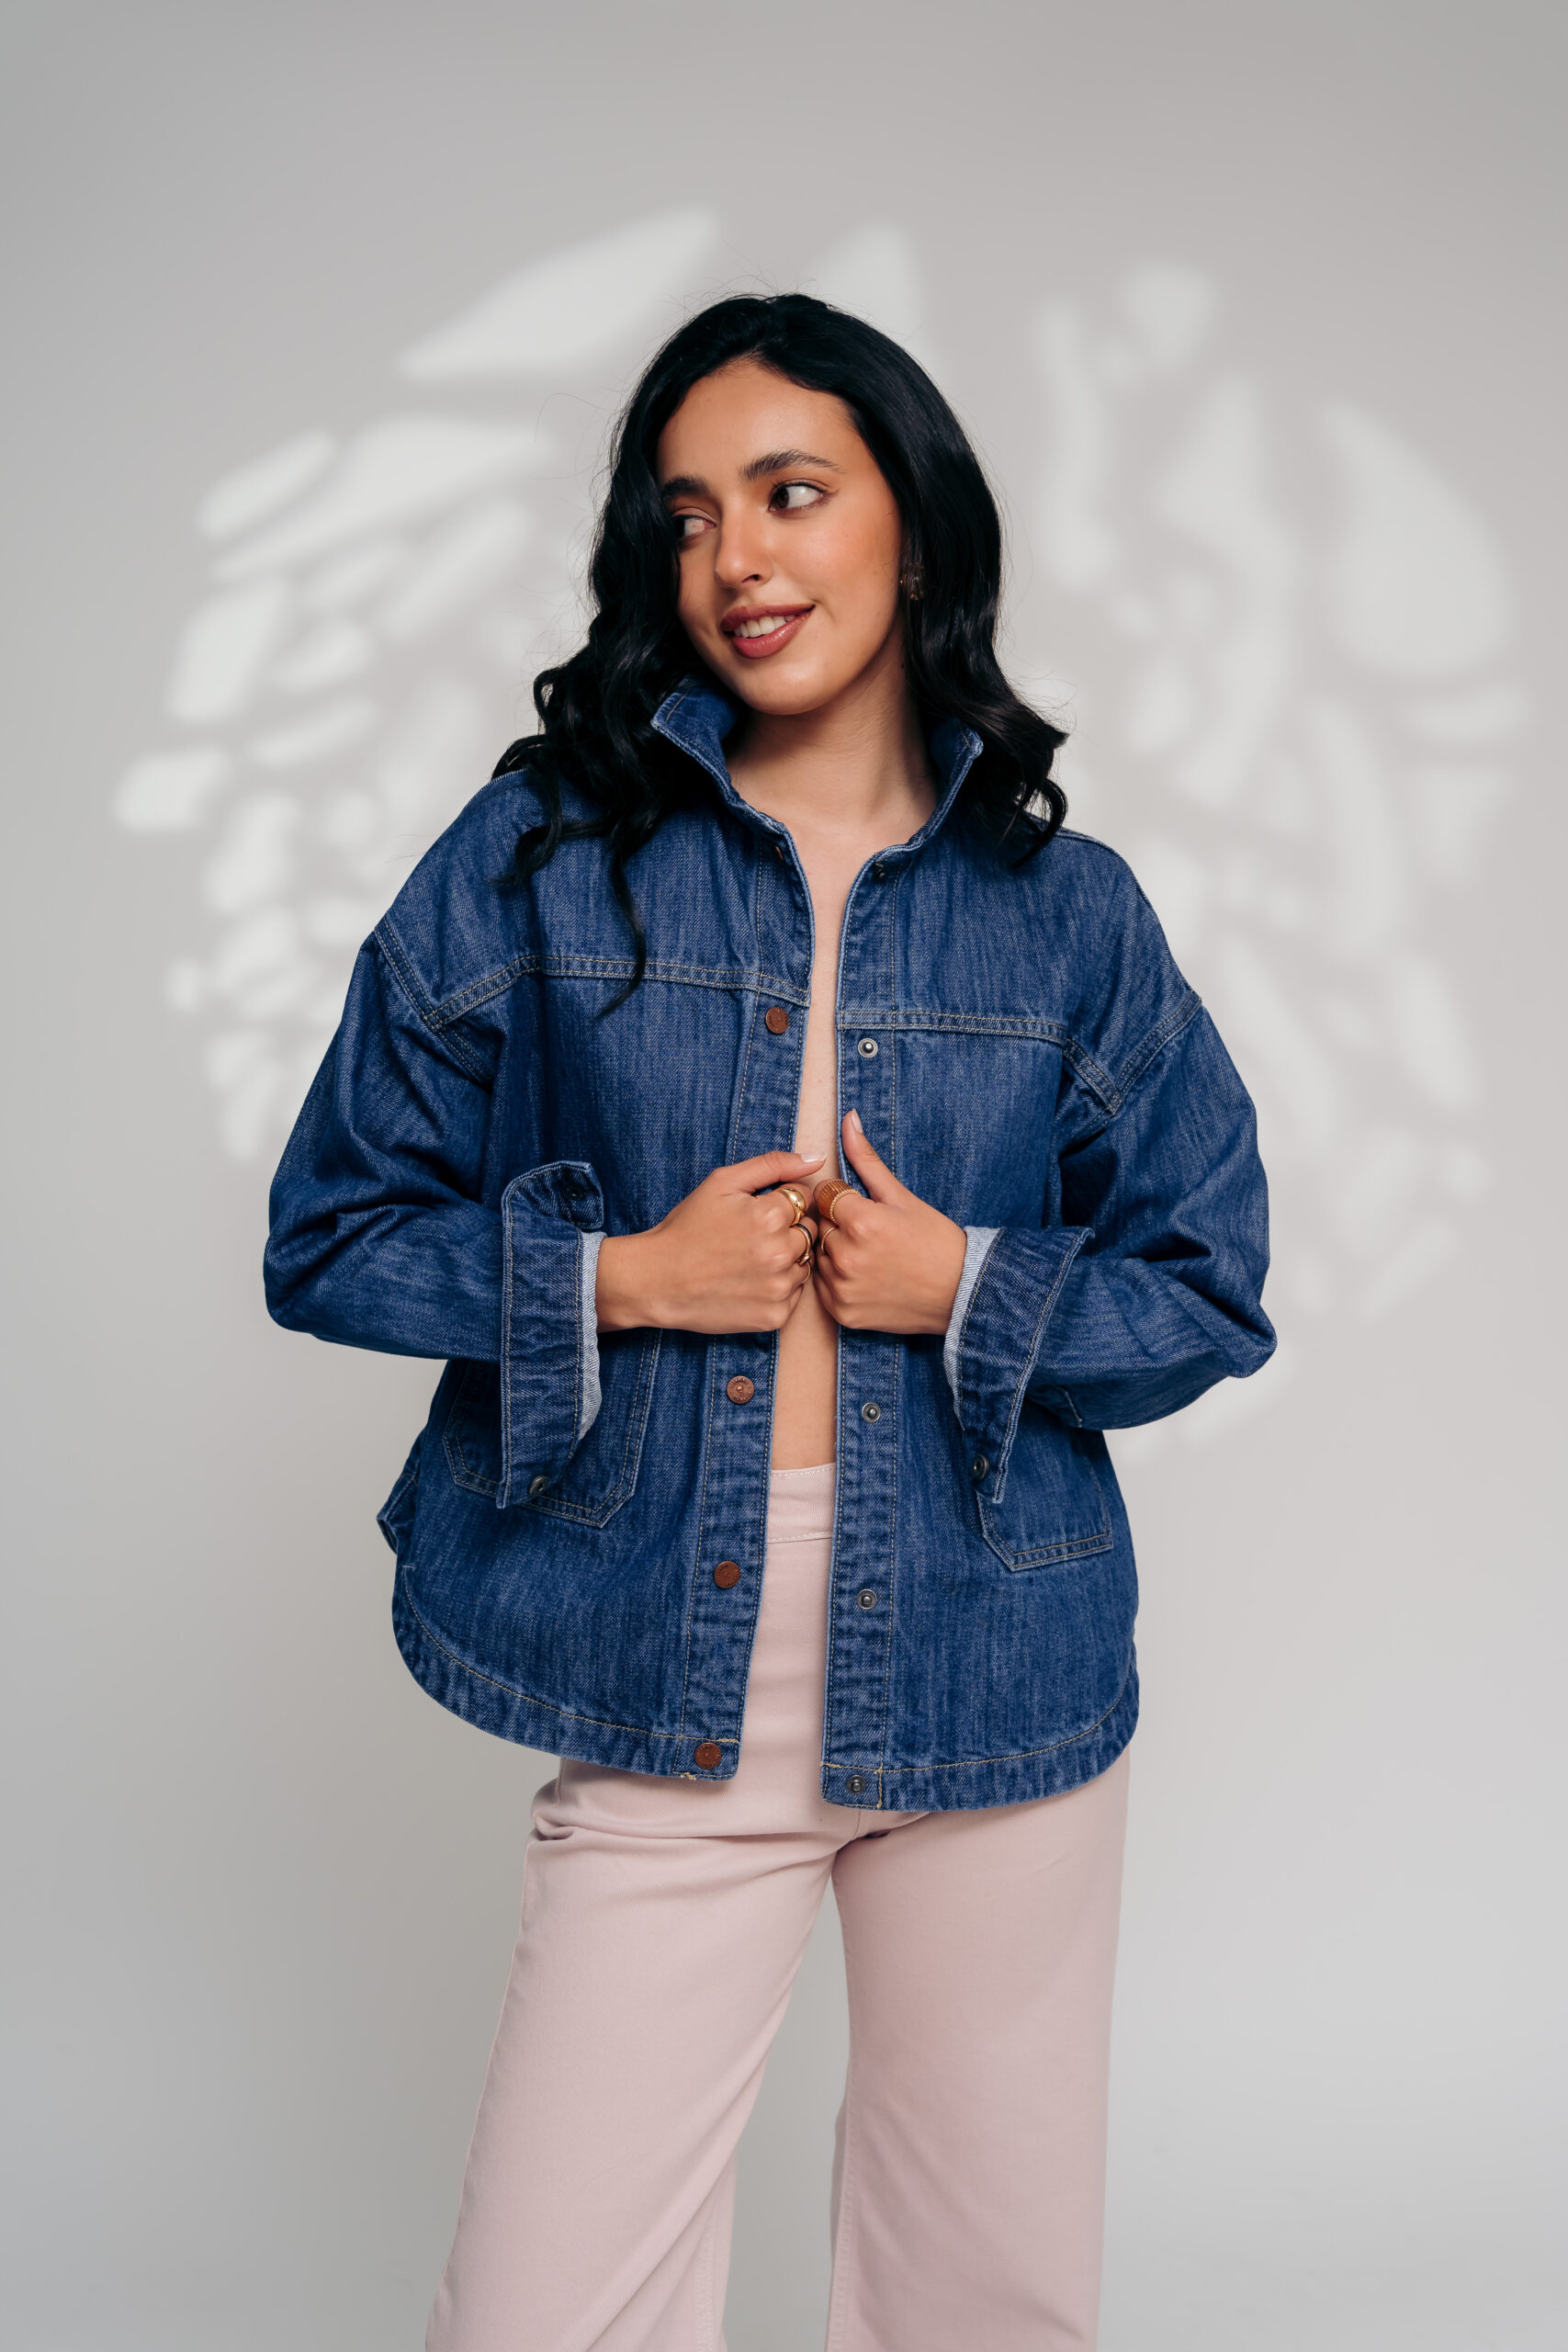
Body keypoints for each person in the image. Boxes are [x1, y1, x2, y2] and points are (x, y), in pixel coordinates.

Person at [264, 292, 1274, 2351]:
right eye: (687, 514)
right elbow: (331, 1229)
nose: (735, 557)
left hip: (998, 1662)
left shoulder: (1066, 914)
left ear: (912, 517)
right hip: (660, 1650)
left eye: (790, 493)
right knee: (543, 2311)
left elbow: (1204, 1282)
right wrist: (622, 1279)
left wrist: (966, 1287)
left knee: (982, 2303)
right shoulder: (541, 859)